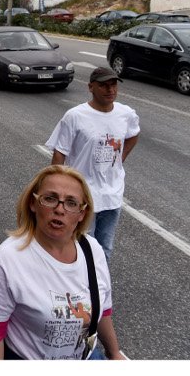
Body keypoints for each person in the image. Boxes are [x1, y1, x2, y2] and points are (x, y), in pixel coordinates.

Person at [0, 165, 126, 360]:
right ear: (33, 203)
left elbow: (102, 309)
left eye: (71, 203)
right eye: (50, 199)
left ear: (82, 213)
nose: (59, 209)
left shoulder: (93, 250)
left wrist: (114, 352)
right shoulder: (7, 259)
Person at [45, 67, 140, 262]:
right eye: (103, 85)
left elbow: (133, 134)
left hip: (112, 194)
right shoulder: (75, 116)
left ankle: (97, 289)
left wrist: (120, 159)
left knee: (104, 249)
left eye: (113, 84)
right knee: (80, 247)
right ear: (90, 87)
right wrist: (55, 191)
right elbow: (59, 153)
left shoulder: (126, 114)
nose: (110, 89)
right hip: (82, 197)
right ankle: (77, 284)